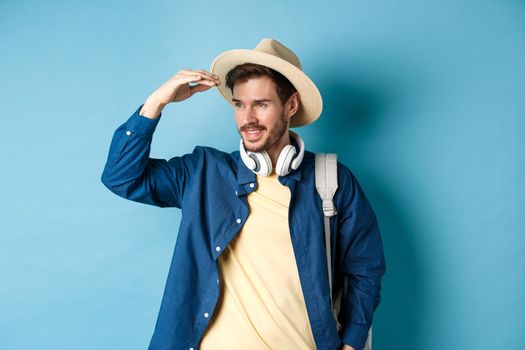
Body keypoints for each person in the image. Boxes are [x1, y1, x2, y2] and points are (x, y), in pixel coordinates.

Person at [101, 38, 386, 350]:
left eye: (261, 104)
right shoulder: (203, 172)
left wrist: (353, 342)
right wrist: (156, 103)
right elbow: (121, 176)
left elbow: (364, 268)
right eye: (239, 104)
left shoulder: (331, 180)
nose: (247, 118)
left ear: (290, 105)